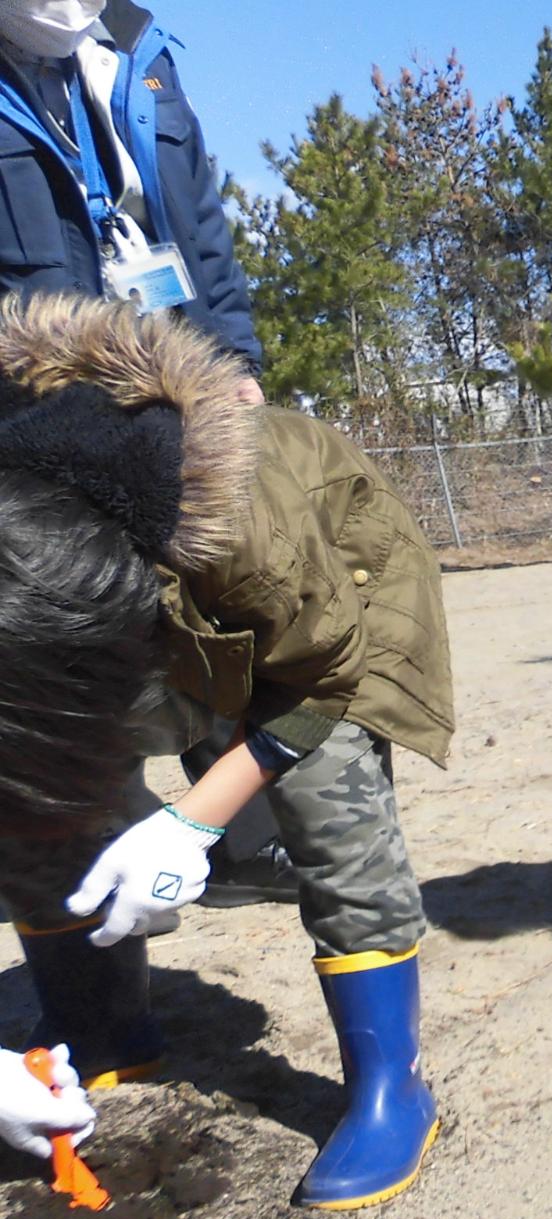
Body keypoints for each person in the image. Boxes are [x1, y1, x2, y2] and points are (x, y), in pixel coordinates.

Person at [0, 292, 454, 1210]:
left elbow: (325, 671)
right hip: (100, 610)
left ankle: (389, 1088)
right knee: (32, 804)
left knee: (332, 807)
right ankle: (102, 1025)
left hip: (326, 599)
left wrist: (189, 823)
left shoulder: (242, 518)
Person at [0, 0, 296, 907]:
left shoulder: (142, 48)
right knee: (70, 641)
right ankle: (93, 878)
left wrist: (235, 360)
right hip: (39, 414)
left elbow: (202, 226)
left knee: (223, 615)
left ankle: (240, 841)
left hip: (181, 398)